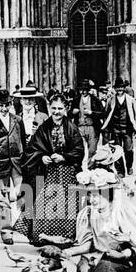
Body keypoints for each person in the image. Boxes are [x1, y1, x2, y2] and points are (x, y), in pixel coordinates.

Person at [23, 92, 86, 244]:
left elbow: (79, 150)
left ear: (66, 109)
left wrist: (65, 157)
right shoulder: (43, 127)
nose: (56, 112)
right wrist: (41, 157)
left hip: (66, 173)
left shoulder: (71, 128)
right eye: (53, 108)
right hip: (47, 173)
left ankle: (66, 237)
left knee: (67, 205)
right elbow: (32, 148)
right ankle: (42, 236)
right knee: (45, 204)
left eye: (60, 108)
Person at [0, 88, 27, 244]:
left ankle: (27, 228)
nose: (4, 109)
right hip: (0, 165)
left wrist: (20, 157)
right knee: (2, 200)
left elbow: (23, 140)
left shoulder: (17, 120)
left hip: (17, 162)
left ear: (11, 104)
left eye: (7, 105)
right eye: (1, 105)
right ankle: (6, 231)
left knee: (24, 194)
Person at [100, 79, 136, 177]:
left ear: (124, 88)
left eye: (121, 87)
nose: (120, 89)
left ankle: (129, 166)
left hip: (127, 128)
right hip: (115, 128)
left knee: (129, 150)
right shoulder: (111, 100)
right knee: (117, 151)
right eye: (118, 87)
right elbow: (106, 113)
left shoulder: (130, 99)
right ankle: (120, 171)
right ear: (115, 88)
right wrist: (106, 126)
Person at [73, 79, 102, 159]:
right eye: (81, 90)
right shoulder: (76, 100)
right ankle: (79, 169)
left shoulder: (95, 100)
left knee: (92, 150)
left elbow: (102, 114)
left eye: (84, 90)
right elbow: (69, 114)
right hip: (80, 127)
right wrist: (73, 112)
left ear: (88, 90)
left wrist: (91, 113)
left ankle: (90, 169)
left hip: (92, 127)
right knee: (79, 149)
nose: (82, 92)